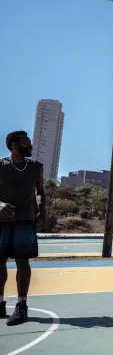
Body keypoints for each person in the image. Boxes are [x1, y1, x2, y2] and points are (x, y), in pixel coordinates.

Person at [0, 131, 45, 326]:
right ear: (13, 145)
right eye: (25, 142)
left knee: (22, 262)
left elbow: (41, 192)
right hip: (1, 221)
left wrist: (41, 209)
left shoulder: (36, 167)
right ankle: (0, 303)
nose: (29, 145)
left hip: (25, 221)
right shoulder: (1, 165)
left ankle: (21, 306)